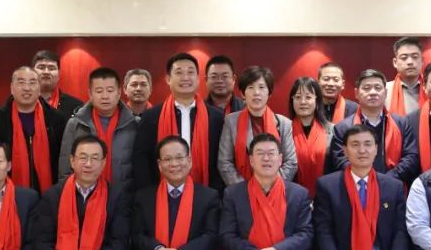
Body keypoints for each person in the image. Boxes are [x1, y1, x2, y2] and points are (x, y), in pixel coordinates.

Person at [132, 53, 225, 191]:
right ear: (168, 79)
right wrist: (148, 193)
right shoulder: (151, 116)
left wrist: (215, 194)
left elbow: (221, 160)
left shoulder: (216, 117)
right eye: (179, 72)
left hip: (206, 194)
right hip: (160, 192)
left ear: (198, 79)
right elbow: (141, 159)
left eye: (190, 72)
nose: (185, 77)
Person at [0, 66, 67, 193]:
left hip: (50, 193)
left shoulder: (57, 120)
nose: (27, 88)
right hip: (7, 193)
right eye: (21, 83)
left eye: (32, 83)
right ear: (12, 88)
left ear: (39, 88)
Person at [329, 69, 418, 184]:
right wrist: (366, 179)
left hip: (392, 186)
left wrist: (386, 180)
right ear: (356, 93)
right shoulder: (343, 128)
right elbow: (340, 160)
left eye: (378, 88)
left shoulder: (401, 123)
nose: (373, 92)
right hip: (356, 186)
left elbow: (411, 157)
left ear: (385, 93)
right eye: (366, 88)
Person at [217, 65, 298, 186]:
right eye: (251, 87)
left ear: (269, 93)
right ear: (243, 93)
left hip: (276, 189)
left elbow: (291, 162)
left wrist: (270, 186)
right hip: (241, 190)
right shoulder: (231, 121)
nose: (256, 93)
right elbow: (224, 163)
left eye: (261, 87)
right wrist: (244, 189)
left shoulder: (283, 123)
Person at [60, 67, 139, 190]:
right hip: (85, 193)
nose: (105, 96)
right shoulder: (76, 124)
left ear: (119, 93)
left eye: (110, 90)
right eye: (99, 91)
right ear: (90, 94)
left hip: (125, 194)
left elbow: (140, 167)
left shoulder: (135, 124)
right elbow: (65, 165)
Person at [288, 77, 332, 197]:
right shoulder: (283, 130)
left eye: (308, 97)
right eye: (298, 97)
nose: (303, 102)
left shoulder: (332, 131)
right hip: (292, 196)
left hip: (325, 195)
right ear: (292, 100)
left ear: (317, 101)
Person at [32, 49, 85, 117]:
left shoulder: (76, 107)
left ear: (59, 74)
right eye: (41, 67)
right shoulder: (21, 103)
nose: (46, 72)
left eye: (51, 68)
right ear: (32, 72)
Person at [385, 37, 425, 116]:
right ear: (395, 63)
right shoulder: (384, 90)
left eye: (415, 57)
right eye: (404, 58)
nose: (410, 62)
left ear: (422, 61)